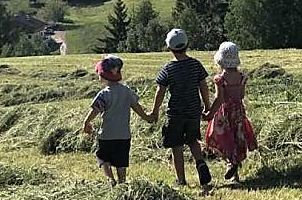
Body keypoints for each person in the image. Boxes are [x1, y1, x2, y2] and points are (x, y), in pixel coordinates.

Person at [151, 28, 213, 188]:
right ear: (187, 45)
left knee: (176, 146)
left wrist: (155, 110)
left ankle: (181, 180)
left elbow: (160, 91)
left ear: (169, 48)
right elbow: (204, 87)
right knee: (193, 140)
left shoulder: (168, 68)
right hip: (193, 110)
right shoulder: (195, 64)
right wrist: (207, 106)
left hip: (175, 113)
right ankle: (200, 163)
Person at [82, 55, 154, 186]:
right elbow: (137, 107)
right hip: (124, 135)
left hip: (106, 135)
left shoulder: (104, 94)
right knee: (121, 162)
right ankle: (122, 183)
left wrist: (86, 123)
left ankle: (110, 178)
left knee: (103, 157)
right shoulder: (127, 91)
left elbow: (95, 111)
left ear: (103, 75)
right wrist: (148, 117)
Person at [205, 42, 258, 182]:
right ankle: (235, 170)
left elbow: (219, 98)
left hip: (224, 113)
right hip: (238, 111)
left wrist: (210, 113)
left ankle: (230, 163)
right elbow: (241, 95)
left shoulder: (220, 79)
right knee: (236, 137)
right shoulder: (242, 77)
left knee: (223, 138)